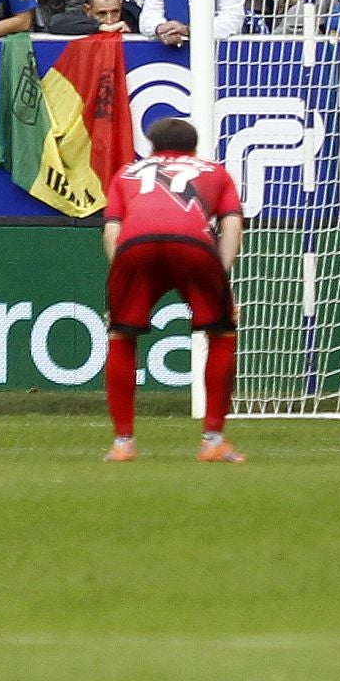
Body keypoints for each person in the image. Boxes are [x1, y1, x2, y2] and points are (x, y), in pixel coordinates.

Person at [100, 118, 247, 464]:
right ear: (194, 148)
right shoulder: (216, 171)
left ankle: (123, 443)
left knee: (121, 336)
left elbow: (111, 231)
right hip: (193, 246)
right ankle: (212, 440)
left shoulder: (127, 173)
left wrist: (120, 279)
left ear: (151, 146)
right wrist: (220, 280)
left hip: (135, 246)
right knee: (221, 333)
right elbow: (232, 225)